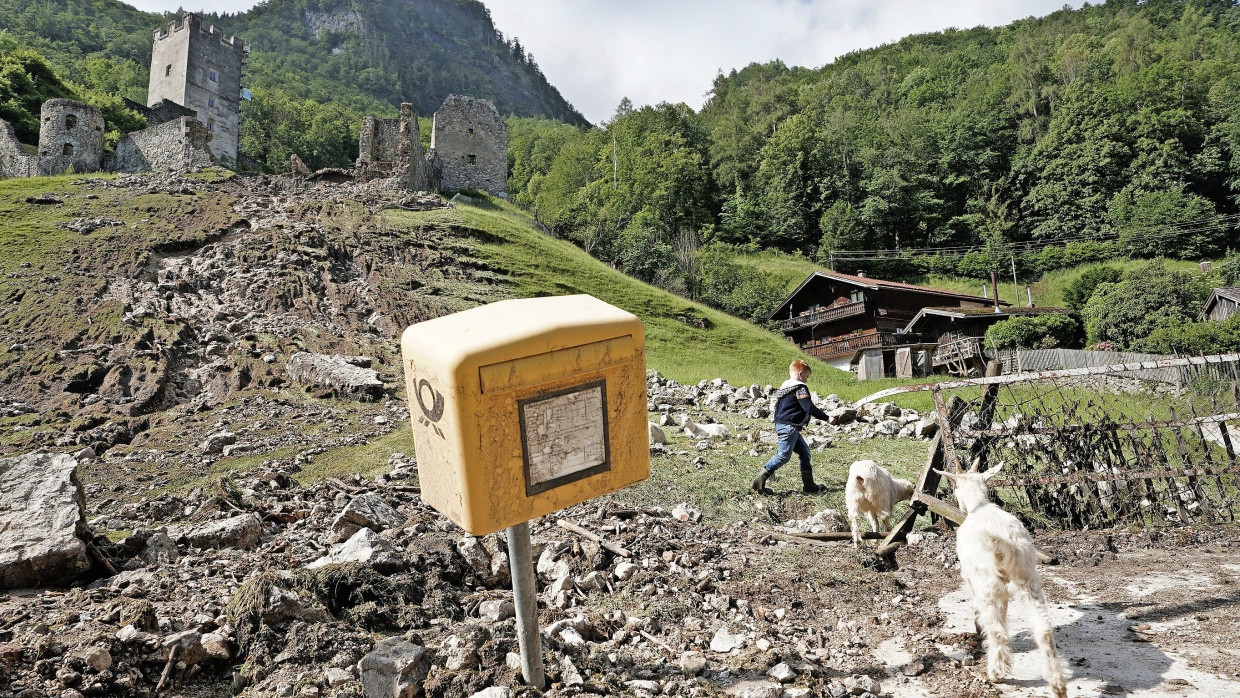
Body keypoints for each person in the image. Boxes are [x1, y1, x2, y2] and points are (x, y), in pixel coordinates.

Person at [750, 359, 829, 495]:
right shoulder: (800, 388)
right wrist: (827, 418)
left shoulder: (785, 388)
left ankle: (809, 486)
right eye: (807, 376)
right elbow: (809, 407)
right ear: (800, 373)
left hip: (785, 425)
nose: (807, 380)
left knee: (805, 453)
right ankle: (758, 482)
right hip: (789, 427)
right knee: (783, 456)